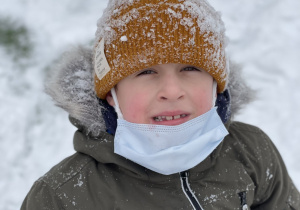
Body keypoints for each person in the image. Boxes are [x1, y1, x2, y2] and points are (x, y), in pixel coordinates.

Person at [21, 0, 300, 209]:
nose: (172, 90)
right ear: (110, 94)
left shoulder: (251, 152)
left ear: (216, 84)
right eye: (145, 71)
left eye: (190, 68)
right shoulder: (61, 196)